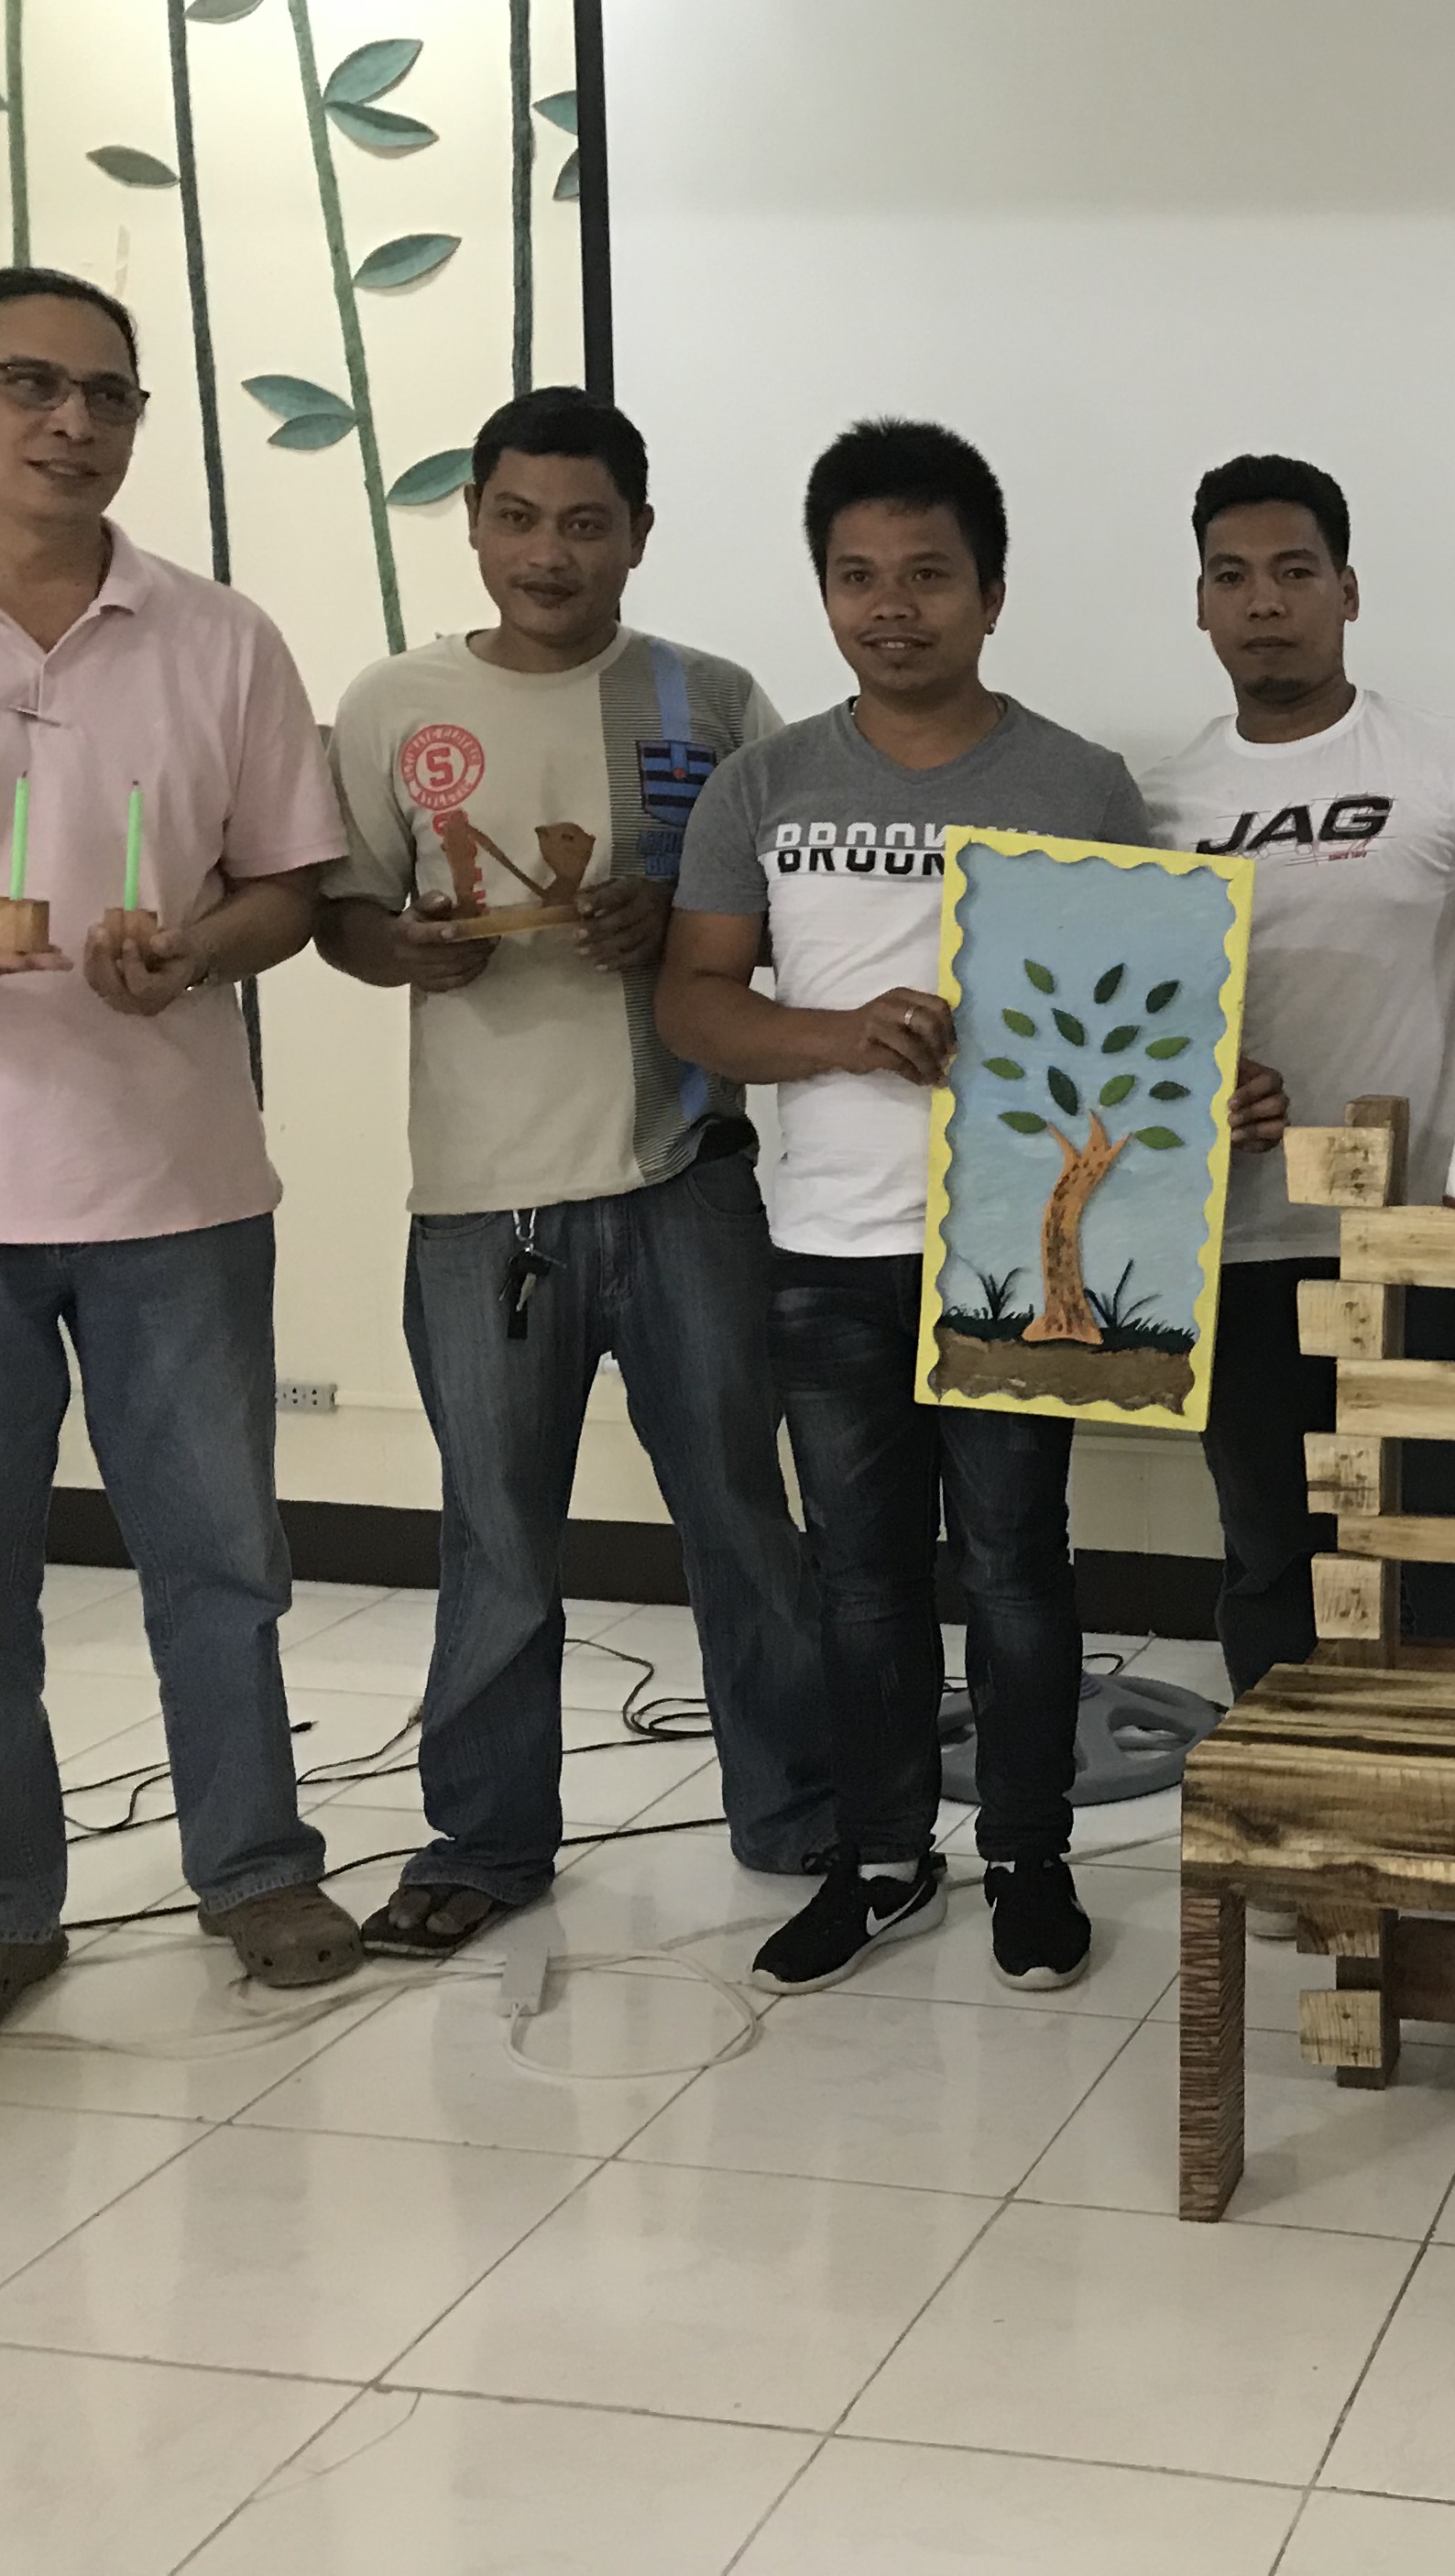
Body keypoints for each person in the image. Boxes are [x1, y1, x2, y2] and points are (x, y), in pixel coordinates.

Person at [0, 266, 361, 2051]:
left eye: (109, 396)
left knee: (220, 1558)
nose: (72, 423)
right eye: (32, 384)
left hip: (173, 1183)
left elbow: (288, 879)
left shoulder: (218, 637)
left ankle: (258, 1866)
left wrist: (198, 951)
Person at [661, 420, 1283, 1996]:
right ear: (822, 593)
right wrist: (836, 1034)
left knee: (1017, 1562)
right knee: (857, 1574)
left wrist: (1208, 1085)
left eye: (927, 574)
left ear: (990, 594)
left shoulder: (1075, 780)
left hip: (1021, 1239)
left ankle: (1029, 1860)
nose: (892, 606)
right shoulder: (766, 782)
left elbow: (1140, 1009)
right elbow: (693, 1005)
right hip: (828, 1244)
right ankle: (880, 1862)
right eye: (857, 576)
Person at [314, 389, 839, 1952]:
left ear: (640, 536)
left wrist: (663, 920)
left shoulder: (711, 697)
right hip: (482, 1201)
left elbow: (784, 926)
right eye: (521, 518)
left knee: (742, 1512)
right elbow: (341, 914)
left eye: (588, 522)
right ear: (473, 520)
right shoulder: (390, 704)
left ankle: (800, 1810)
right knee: (495, 1531)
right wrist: (401, 952)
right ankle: (483, 1839)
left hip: (686, 1173)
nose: (552, 554)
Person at [1144, 455, 1455, 1701]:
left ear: (1348, 590)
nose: (1263, 601)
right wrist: (1193, 1089)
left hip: (1432, 1232)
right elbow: (1139, 1027)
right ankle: (1296, 1837)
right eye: (1232, 577)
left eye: (1293, 571)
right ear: (1204, 605)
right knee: (1277, 1559)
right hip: (1237, 1242)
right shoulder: (1160, 800)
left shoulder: (1452, 765)